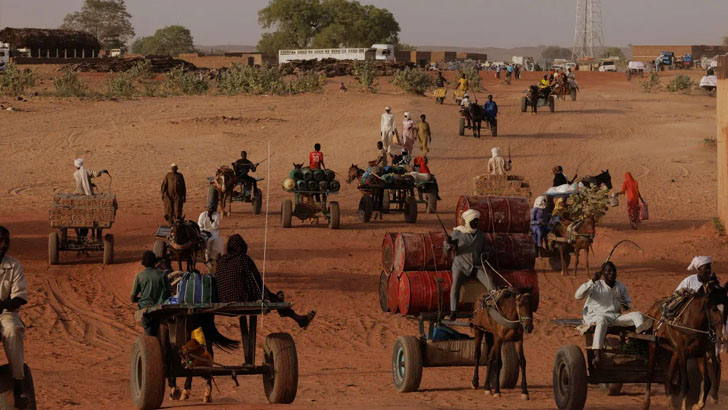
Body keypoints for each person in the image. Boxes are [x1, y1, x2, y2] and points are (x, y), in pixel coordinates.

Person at [214, 234, 316, 328]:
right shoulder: (243, 259)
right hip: (240, 300)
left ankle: (290, 312)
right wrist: (265, 297)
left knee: (253, 288)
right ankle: (284, 307)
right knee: (262, 291)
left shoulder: (222, 260)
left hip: (223, 301)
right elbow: (255, 280)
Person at [575, 262, 650, 366]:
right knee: (602, 319)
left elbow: (628, 304)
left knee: (637, 315)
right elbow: (578, 296)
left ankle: (642, 344)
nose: (612, 273)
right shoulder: (596, 284)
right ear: (603, 273)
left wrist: (625, 306)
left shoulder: (621, 286)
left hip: (615, 316)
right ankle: (597, 352)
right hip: (596, 316)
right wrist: (592, 280)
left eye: (614, 271)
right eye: (609, 271)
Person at [444, 209, 493, 321]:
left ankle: (490, 310)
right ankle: (453, 311)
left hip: (477, 266)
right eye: (473, 221)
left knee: (491, 284)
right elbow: (446, 250)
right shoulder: (457, 233)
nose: (476, 223)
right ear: (467, 221)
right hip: (460, 266)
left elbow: (487, 250)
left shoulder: (481, 235)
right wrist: (449, 244)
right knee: (455, 285)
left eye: (477, 221)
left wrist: (486, 255)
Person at [0, 226, 30, 409]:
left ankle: (18, 385)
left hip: (5, 313)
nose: (4, 245)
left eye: (7, 241)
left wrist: (1, 306)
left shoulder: (14, 265)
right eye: (0, 241)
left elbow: (19, 297)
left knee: (13, 330)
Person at [131, 251, 171, 336]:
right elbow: (168, 293)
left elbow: (133, 298)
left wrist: (143, 299)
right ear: (155, 262)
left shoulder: (139, 276)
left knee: (149, 334)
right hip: (161, 310)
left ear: (143, 263)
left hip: (146, 310)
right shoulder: (162, 274)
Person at [197, 206, 224, 273]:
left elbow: (215, 227)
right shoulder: (202, 215)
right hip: (203, 232)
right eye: (209, 208)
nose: (210, 210)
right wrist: (205, 232)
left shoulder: (216, 215)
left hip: (214, 233)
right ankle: (207, 259)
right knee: (207, 242)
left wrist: (210, 218)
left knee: (218, 242)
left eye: (212, 209)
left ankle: (217, 258)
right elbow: (200, 226)